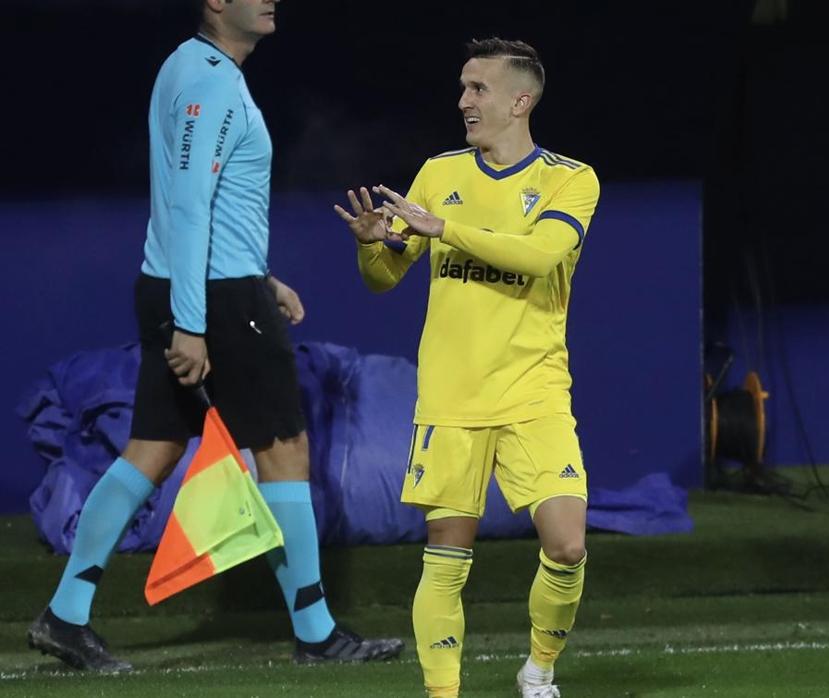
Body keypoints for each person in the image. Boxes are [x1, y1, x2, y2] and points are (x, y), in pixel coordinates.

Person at [27, 0, 402, 672]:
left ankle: (66, 615)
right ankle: (316, 633)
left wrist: (261, 277)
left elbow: (198, 203)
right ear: (215, 3)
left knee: (153, 447)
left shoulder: (190, 67)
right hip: (213, 298)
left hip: (201, 285)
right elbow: (190, 204)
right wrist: (196, 323)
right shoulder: (207, 81)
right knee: (284, 448)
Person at [334, 37, 600, 698]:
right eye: (462, 88)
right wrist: (373, 247)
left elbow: (540, 257)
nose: (463, 102)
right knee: (447, 558)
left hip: (534, 391)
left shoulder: (570, 179)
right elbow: (384, 278)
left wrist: (443, 230)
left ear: (520, 99)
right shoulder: (439, 174)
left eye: (477, 89)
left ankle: (538, 669)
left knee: (567, 545)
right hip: (451, 398)